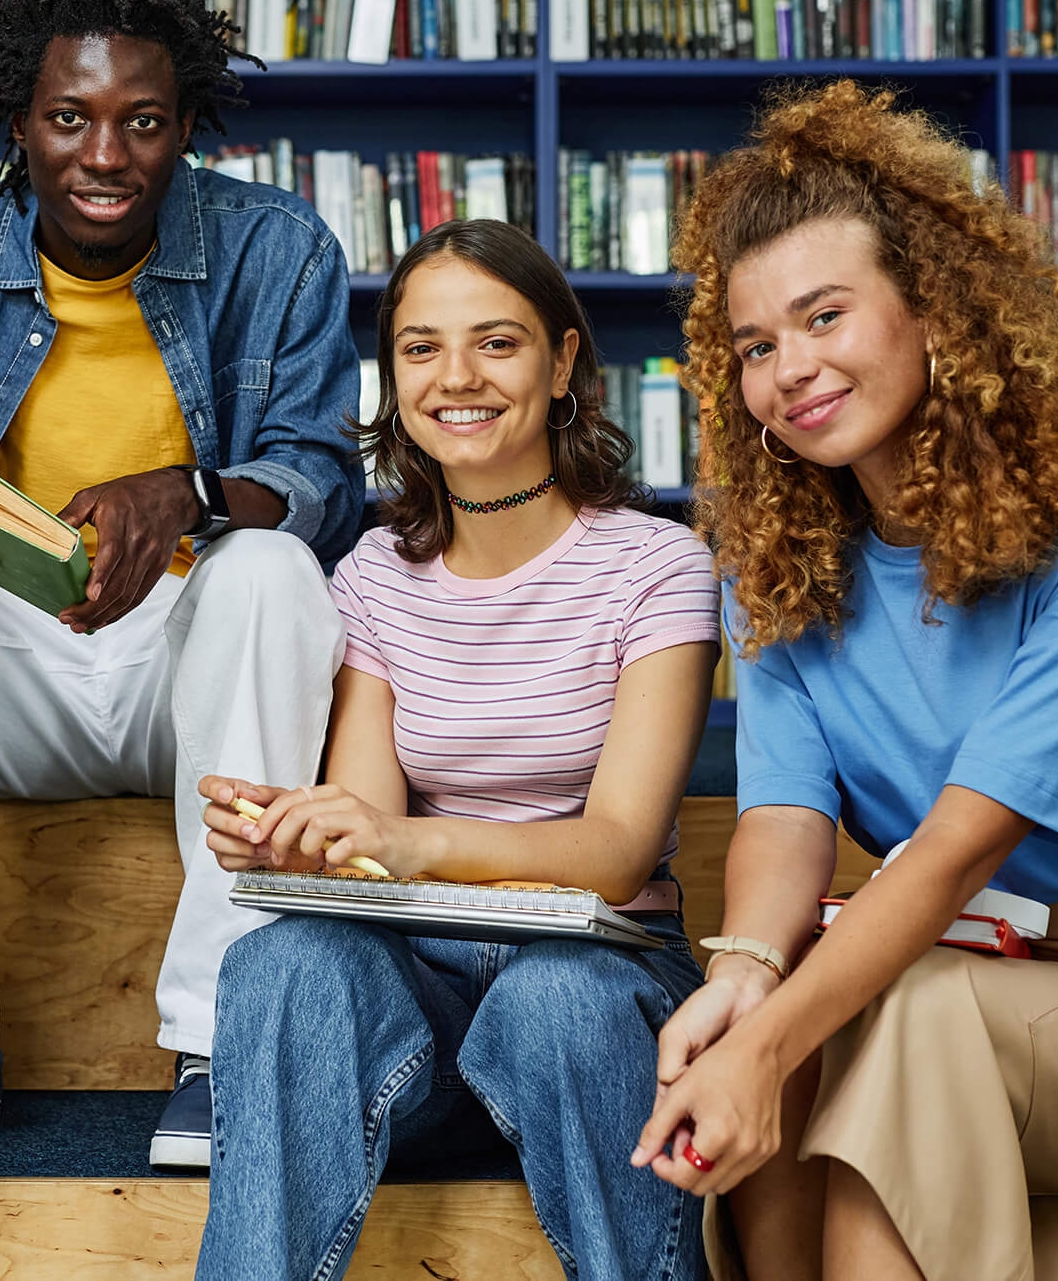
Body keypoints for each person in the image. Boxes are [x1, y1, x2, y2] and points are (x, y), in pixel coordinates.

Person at [634, 81, 1058, 1281]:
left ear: (932, 308)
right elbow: (784, 815)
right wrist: (741, 976)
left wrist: (766, 1040)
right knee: (804, 1013)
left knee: (875, 1018)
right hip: (946, 983)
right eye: (757, 346)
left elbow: (951, 855)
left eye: (825, 316)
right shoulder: (778, 568)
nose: (791, 369)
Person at [0, 0, 362, 1169]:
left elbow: (329, 486)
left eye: (144, 122)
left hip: (192, 667)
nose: (105, 157)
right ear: (19, 118)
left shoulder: (280, 250)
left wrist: (191, 493)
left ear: (188, 127)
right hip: (13, 664)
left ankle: (230, 1039)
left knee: (271, 570)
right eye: (70, 117)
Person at [195, 218, 723, 1281]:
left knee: (554, 996)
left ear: (563, 358)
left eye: (497, 341)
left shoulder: (658, 567)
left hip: (599, 995)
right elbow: (365, 834)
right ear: (391, 378)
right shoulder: (374, 575)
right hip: (418, 1020)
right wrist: (296, 838)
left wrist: (406, 841)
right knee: (284, 960)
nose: (456, 378)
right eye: (420, 348)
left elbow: (620, 850)